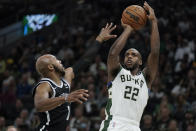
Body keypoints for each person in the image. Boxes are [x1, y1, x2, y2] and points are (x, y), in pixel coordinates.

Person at [33, 23, 117, 131]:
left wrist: (100, 38)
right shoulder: (44, 85)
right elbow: (39, 105)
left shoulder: (66, 76)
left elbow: (85, 59)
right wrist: (66, 98)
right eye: (56, 60)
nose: (60, 61)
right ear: (50, 67)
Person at [99, 2, 160, 131]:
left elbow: (155, 53)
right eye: (127, 54)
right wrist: (129, 29)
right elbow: (113, 53)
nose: (130, 56)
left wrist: (154, 21)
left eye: (134, 55)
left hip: (134, 126)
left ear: (141, 62)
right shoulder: (116, 73)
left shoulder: (146, 78)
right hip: (114, 123)